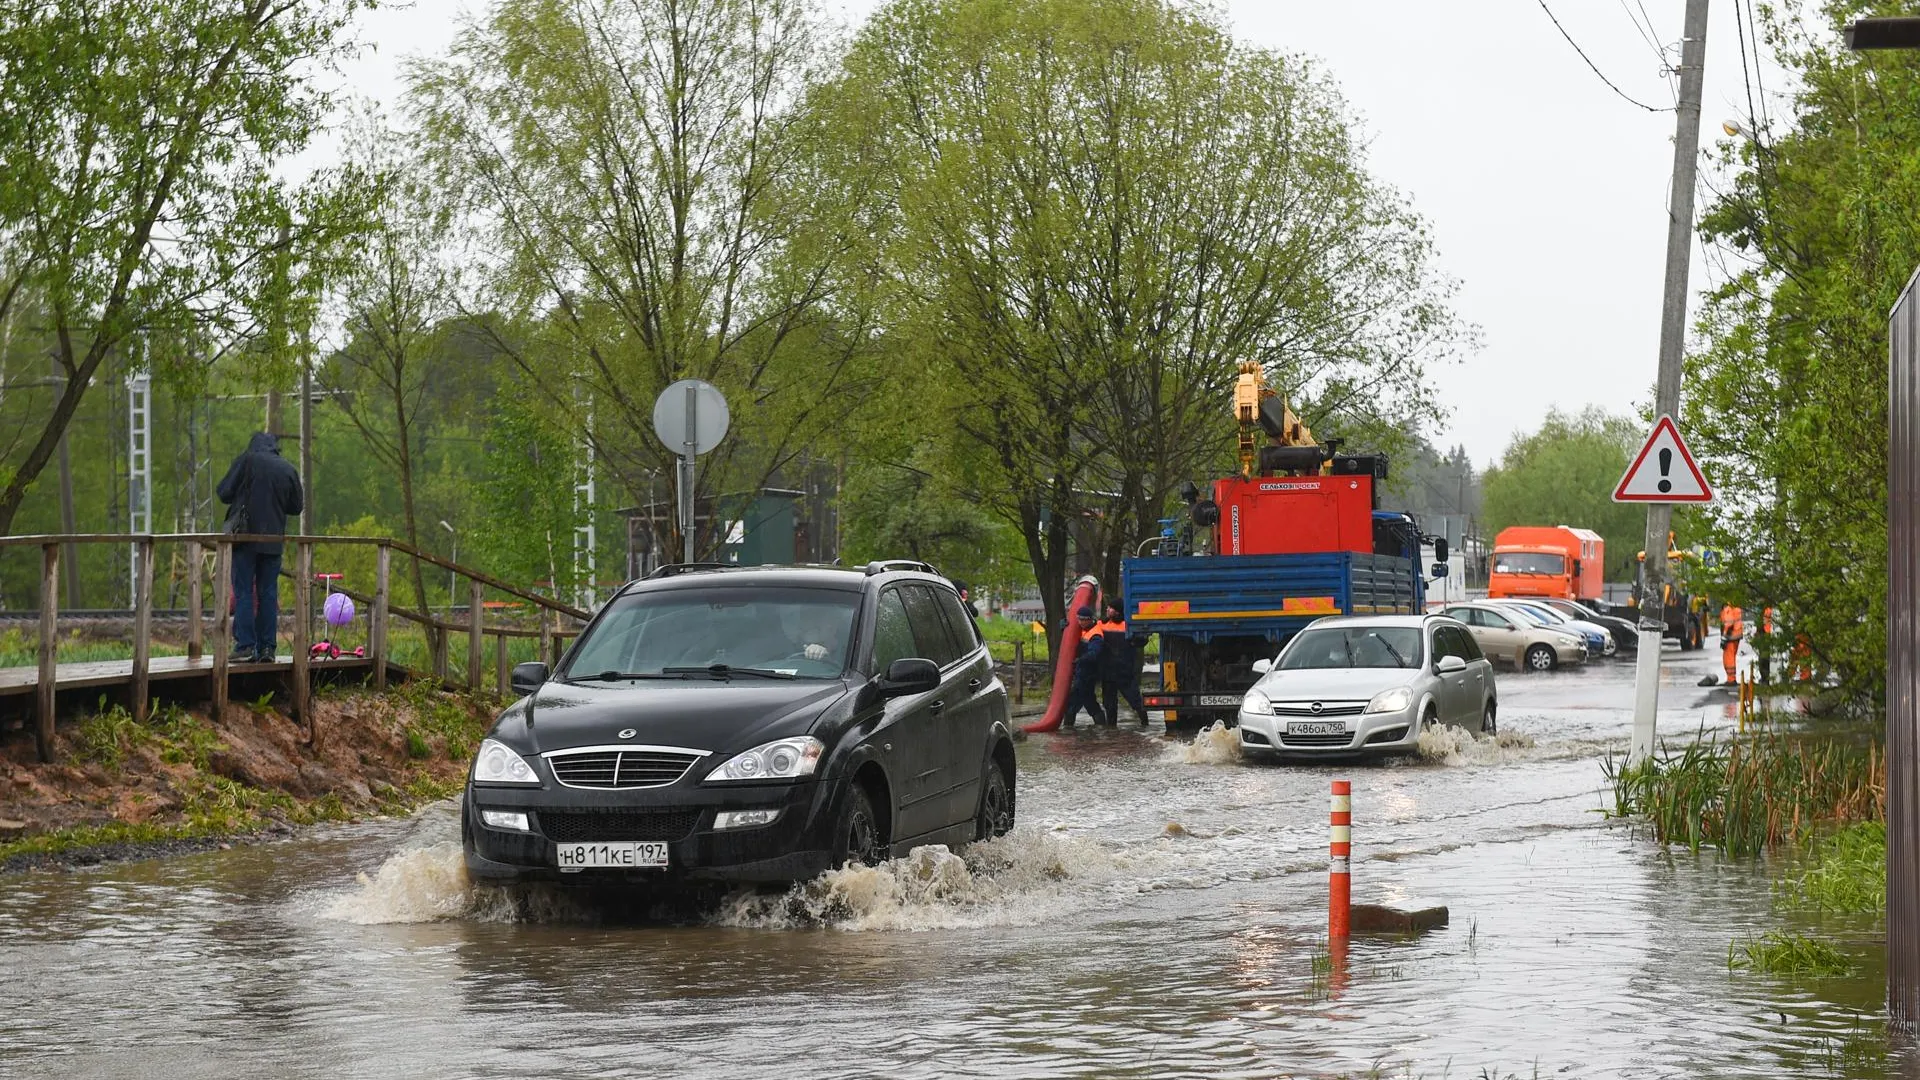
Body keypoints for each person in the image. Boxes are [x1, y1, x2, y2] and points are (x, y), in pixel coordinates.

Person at [216, 433, 303, 662]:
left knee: (244, 590)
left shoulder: (247, 461)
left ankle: (245, 646)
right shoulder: (287, 469)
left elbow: (223, 492)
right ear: (275, 448)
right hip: (273, 541)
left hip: (245, 539)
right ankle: (267, 649)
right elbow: (296, 506)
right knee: (267, 593)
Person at [1097, 601, 1148, 727]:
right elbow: (1084, 630)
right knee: (1109, 704)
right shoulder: (1101, 624)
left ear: (1118, 611)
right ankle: (1111, 728)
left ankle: (1145, 724)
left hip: (1124, 672)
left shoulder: (1128, 625)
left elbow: (1142, 640)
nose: (1107, 609)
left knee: (1135, 701)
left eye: (1110, 608)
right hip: (1108, 672)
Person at [1060, 606, 1105, 729]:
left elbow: (1094, 653)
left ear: (1090, 620)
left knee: (1073, 703)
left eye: (1083, 620)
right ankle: (1103, 728)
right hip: (1082, 672)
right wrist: (1065, 628)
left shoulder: (1096, 635)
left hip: (1088, 673)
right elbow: (1072, 640)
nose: (1080, 622)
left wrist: (1080, 660)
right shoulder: (1082, 630)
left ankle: (1068, 729)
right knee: (1089, 702)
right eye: (1079, 619)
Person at [1719, 603, 1743, 684]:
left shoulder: (1728, 609)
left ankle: (1731, 679)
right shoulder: (1735, 607)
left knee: (1728, 659)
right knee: (1732, 657)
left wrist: (1724, 637)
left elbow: (1728, 623)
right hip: (1736, 636)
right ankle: (1732, 678)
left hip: (1730, 637)